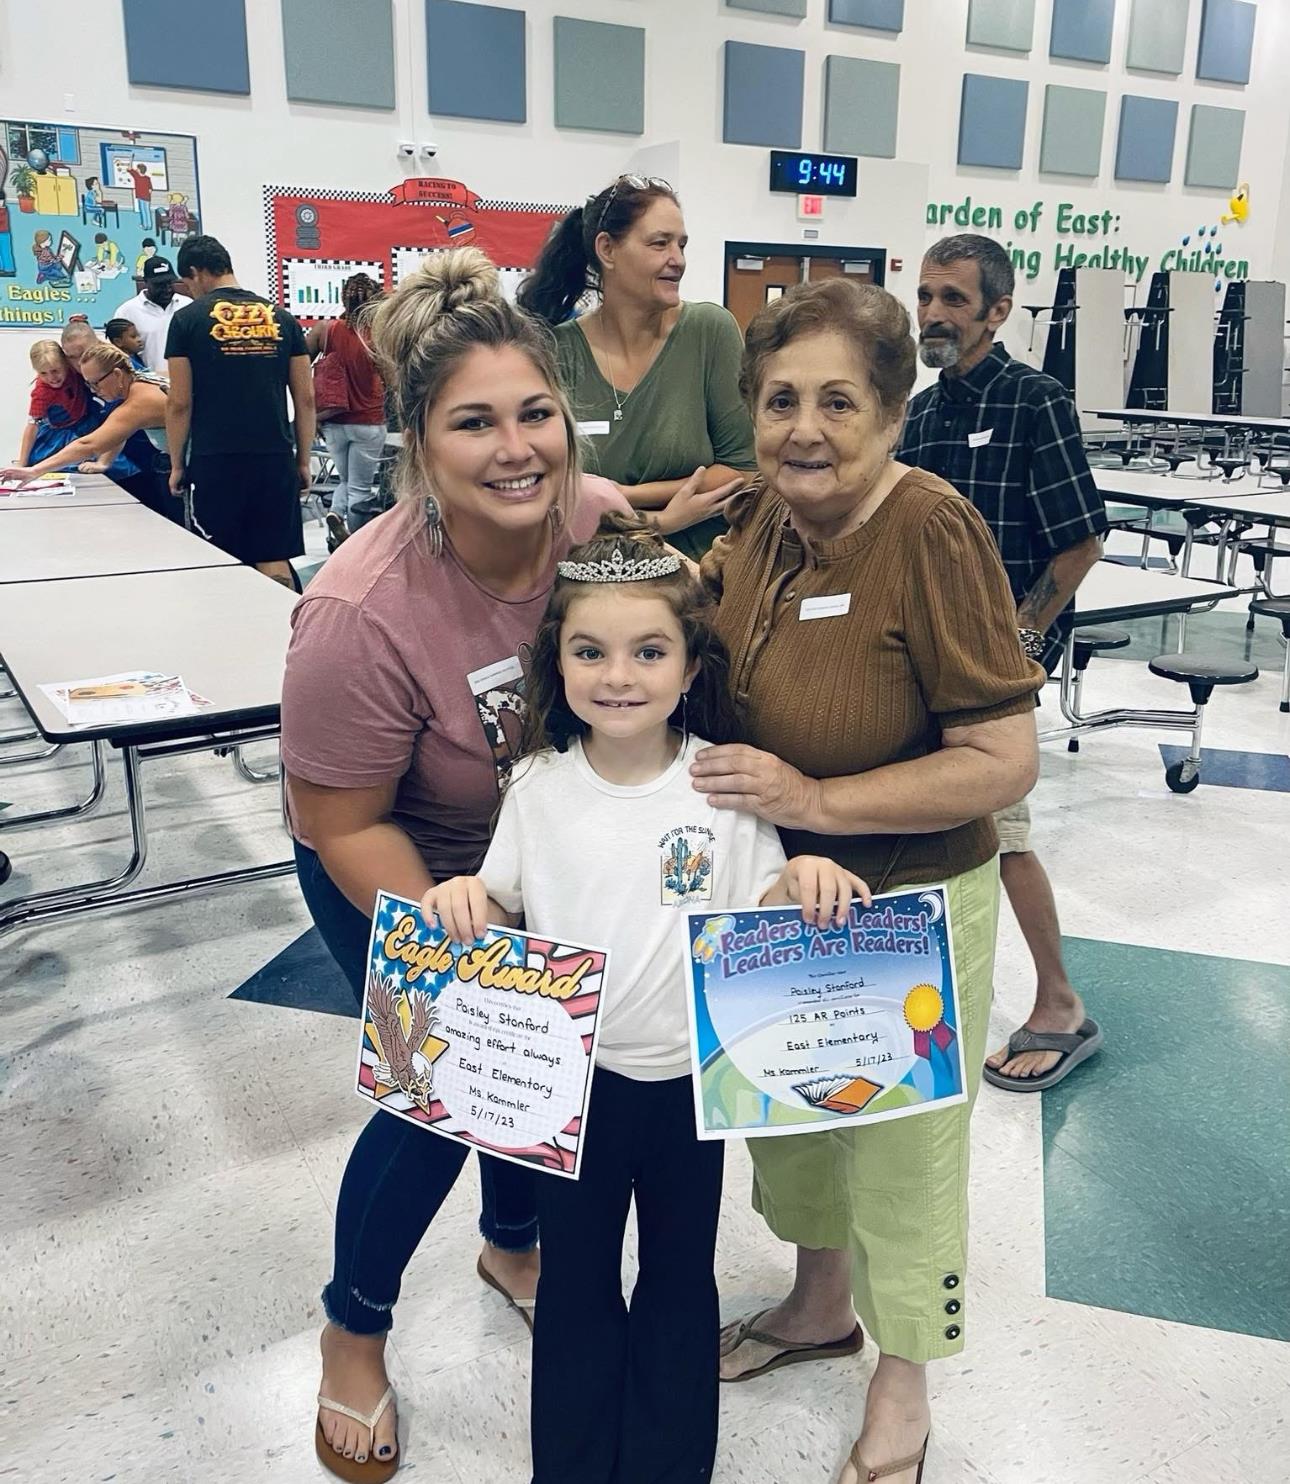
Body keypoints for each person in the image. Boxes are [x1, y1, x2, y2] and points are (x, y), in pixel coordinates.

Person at [280, 247, 633, 1480]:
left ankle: (511, 1240)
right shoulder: (362, 608)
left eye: (536, 411)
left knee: (553, 1064)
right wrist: (462, 932)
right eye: (473, 422)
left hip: (537, 846)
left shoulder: (597, 524)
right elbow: (339, 819)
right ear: (418, 443)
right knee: (452, 1091)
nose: (517, 446)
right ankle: (353, 1324)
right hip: (392, 851)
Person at [425, 514, 870, 1484]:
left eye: (648, 649)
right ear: (560, 658)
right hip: (568, 1091)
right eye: (590, 649)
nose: (617, 673)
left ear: (688, 662)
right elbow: (500, 897)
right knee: (577, 1283)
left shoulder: (721, 786)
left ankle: (672, 1464)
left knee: (677, 1280)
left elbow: (759, 904)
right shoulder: (537, 786)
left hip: (688, 1092)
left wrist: (803, 881)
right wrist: (471, 895)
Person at [692, 278, 1043, 1484]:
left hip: (909, 906)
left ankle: (904, 1382)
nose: (805, 427)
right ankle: (815, 1306)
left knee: (899, 1148)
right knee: (796, 1122)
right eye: (781, 398)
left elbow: (1003, 757)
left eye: (839, 400)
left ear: (892, 412)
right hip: (784, 902)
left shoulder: (930, 527)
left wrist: (820, 803)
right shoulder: (761, 521)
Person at [896, 234, 1109, 1093]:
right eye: (925, 296)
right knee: (931, 828)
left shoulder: (1035, 402)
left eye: (954, 299)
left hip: (992, 673)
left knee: (1000, 833)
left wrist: (1020, 643)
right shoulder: (920, 412)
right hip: (920, 660)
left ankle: (1059, 1004)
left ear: (996, 312)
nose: (935, 314)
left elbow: (1082, 542)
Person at [519, 174, 756, 560]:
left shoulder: (709, 331)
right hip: (589, 581)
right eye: (659, 244)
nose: (677, 260)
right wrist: (662, 521)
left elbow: (742, 469)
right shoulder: (557, 351)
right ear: (607, 250)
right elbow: (550, 493)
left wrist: (621, 498)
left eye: (681, 245)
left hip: (695, 582)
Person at [165, 235, 313, 588]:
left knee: (223, 561)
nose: (189, 291)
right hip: (273, 455)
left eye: (187, 283)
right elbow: (305, 398)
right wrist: (303, 460)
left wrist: (176, 465)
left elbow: (179, 402)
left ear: (196, 272)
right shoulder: (284, 319)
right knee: (273, 554)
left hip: (216, 457)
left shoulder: (186, 321)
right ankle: (285, 635)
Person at [2, 341, 173, 516]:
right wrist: (104, 462)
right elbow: (117, 434)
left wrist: (34, 470)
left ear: (117, 374)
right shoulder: (143, 379)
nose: (94, 391)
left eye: (96, 383)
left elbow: (88, 445)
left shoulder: (136, 405)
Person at [304, 273, 388, 547]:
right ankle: (356, 546)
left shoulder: (325, 331)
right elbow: (394, 379)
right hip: (369, 421)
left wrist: (310, 408)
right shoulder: (378, 336)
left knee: (346, 480)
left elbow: (296, 365)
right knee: (360, 488)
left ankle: (335, 515)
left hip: (333, 419)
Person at [13, 340, 94, 469]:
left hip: (86, 421)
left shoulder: (75, 369)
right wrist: (22, 463)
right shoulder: (42, 392)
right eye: (43, 373)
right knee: (65, 464)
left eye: (55, 370)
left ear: (66, 363)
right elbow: (32, 426)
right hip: (59, 434)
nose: (52, 378)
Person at [114, 254, 190, 373]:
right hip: (147, 385)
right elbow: (118, 355)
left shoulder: (188, 305)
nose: (167, 289)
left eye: (170, 283)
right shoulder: (126, 312)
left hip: (186, 383)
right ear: (146, 282)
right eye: (160, 284)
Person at [129, 161, 153, 227]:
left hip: (141, 197)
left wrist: (130, 160)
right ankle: (149, 225)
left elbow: (129, 169)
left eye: (137, 169)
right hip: (147, 198)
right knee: (147, 211)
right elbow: (150, 189)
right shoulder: (147, 178)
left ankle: (144, 225)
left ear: (139, 170)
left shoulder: (137, 176)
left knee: (143, 211)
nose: (136, 170)